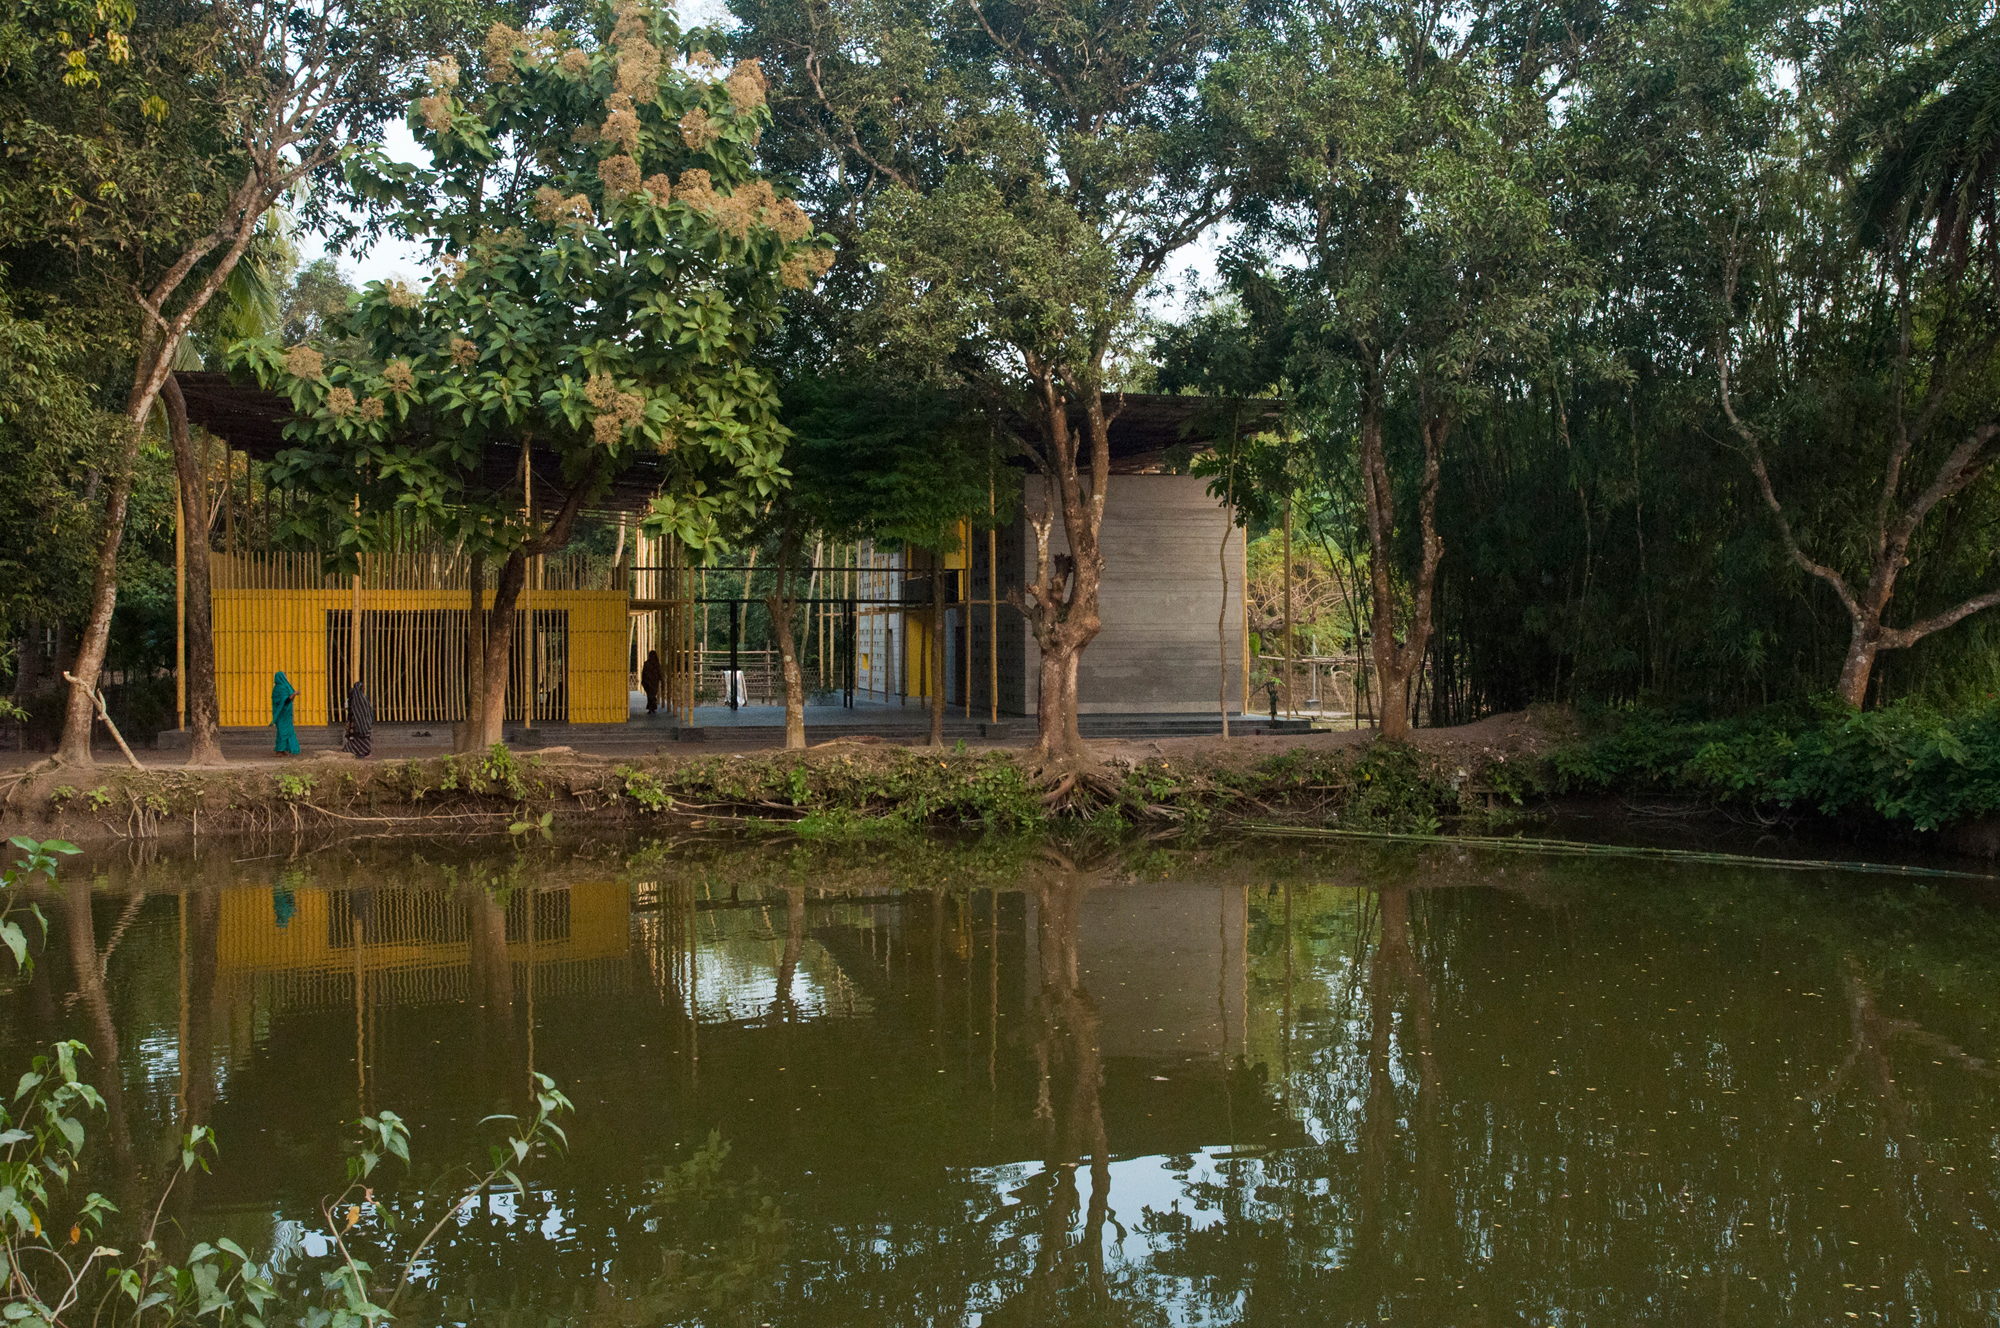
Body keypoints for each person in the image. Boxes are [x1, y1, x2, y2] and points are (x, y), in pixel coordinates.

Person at [271, 671, 301, 755]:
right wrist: (294, 694)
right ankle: (279, 750)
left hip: (286, 714)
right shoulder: (279, 688)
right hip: (281, 714)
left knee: (287, 731)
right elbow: (285, 700)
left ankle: (284, 749)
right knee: (282, 731)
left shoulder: (283, 687)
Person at [342, 679, 373, 757]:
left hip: (358, 724)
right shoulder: (365, 699)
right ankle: (365, 752)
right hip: (365, 724)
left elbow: (351, 713)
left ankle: (354, 751)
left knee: (356, 739)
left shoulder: (354, 700)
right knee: (363, 739)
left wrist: (351, 723)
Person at [640, 649, 663, 715]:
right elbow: (659, 673)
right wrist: (661, 680)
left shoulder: (647, 663)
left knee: (650, 695)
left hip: (648, 682)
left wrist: (643, 681)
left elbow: (644, 673)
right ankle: (652, 707)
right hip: (654, 682)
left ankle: (651, 708)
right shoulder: (656, 664)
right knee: (652, 695)